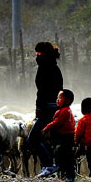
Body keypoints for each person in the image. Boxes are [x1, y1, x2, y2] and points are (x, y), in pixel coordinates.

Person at [25, 41, 63, 172]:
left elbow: (42, 91)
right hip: (54, 107)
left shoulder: (45, 68)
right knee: (53, 138)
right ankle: (57, 165)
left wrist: (39, 109)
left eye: (39, 53)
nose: (37, 56)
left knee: (33, 139)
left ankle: (48, 165)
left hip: (47, 109)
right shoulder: (54, 67)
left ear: (44, 54)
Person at [38, 89, 76, 182]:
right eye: (57, 98)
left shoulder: (65, 111)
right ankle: (65, 174)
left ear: (68, 101)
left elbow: (57, 122)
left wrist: (47, 128)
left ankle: (67, 174)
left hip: (66, 137)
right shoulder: (64, 111)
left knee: (64, 155)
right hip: (65, 137)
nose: (57, 100)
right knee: (65, 156)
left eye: (60, 98)